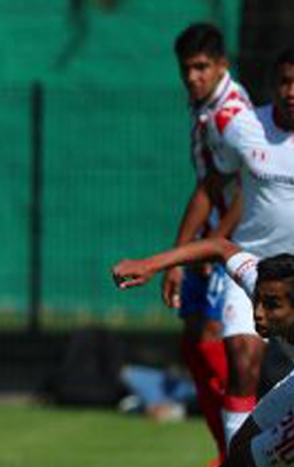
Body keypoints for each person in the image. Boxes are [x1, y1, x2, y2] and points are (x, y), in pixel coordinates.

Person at [112, 237, 294, 467]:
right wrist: (151, 265)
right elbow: (220, 247)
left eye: (272, 305)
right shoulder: (270, 285)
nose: (257, 312)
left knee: (251, 458)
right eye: (257, 299)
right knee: (238, 452)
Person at [165, 23, 248, 459]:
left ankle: (242, 449)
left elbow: (247, 190)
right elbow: (208, 185)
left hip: (236, 240)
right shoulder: (205, 107)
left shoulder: (232, 116)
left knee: (219, 339)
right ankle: (226, 448)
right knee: (195, 337)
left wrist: (212, 245)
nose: (193, 77)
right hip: (212, 234)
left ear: (222, 66)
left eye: (201, 68)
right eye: (187, 69)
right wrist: (179, 257)